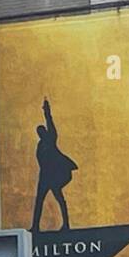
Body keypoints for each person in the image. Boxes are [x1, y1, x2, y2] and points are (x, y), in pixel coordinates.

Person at [30, 99, 79, 232]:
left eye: (42, 130)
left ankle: (66, 224)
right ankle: (35, 227)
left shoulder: (51, 138)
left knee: (60, 199)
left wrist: (47, 110)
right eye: (39, 132)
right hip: (45, 176)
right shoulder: (40, 146)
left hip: (55, 175)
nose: (41, 133)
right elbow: (41, 161)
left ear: (45, 131)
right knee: (39, 201)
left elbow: (50, 121)